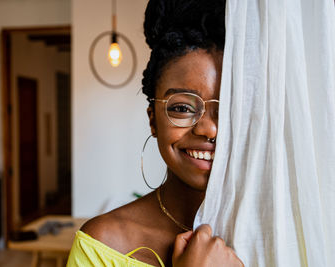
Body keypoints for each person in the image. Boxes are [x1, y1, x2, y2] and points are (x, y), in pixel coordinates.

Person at [68, 0, 244, 266]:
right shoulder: (101, 246)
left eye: (230, 109)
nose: (208, 128)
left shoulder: (280, 230)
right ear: (153, 120)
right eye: (182, 107)